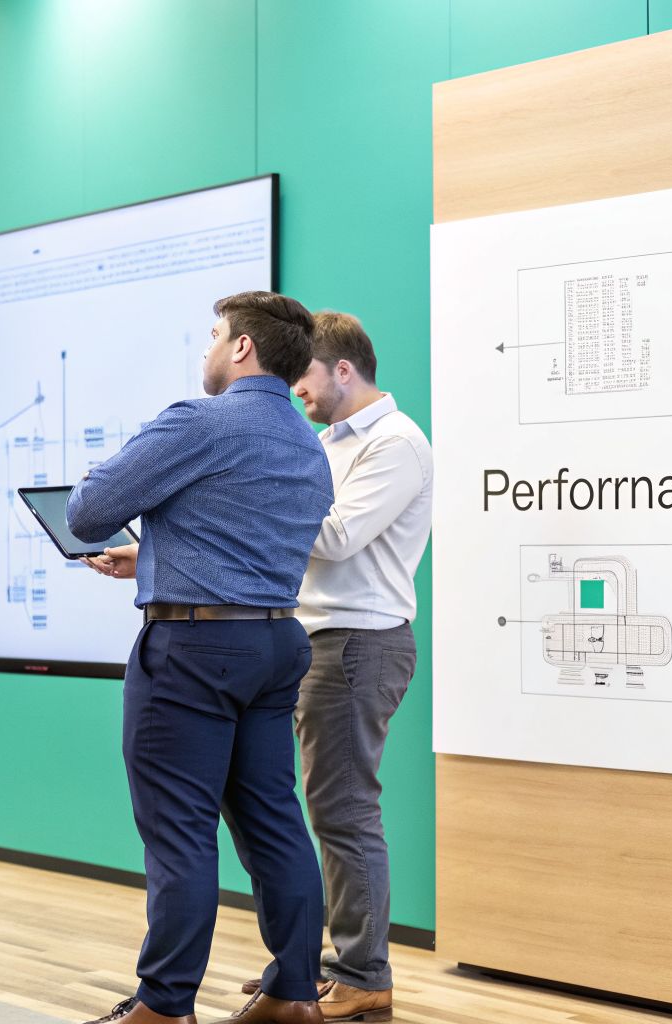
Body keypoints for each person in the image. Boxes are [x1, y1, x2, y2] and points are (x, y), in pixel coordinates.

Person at [68, 291, 335, 1024]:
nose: (208, 349)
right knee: (276, 822)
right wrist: (158, 550)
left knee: (179, 828)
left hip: (191, 649)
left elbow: (86, 510)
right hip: (274, 643)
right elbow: (240, 534)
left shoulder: (199, 419)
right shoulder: (307, 443)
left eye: (215, 335)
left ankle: (163, 1006)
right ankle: (293, 995)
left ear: (242, 348)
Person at [273, 310, 432, 1022]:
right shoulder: (330, 443)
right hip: (320, 642)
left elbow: (335, 537)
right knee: (327, 809)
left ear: (342, 369)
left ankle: (364, 973)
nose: (294, 390)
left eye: (302, 374)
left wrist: (264, 495)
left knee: (344, 812)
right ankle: (316, 969)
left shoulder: (396, 443)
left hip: (357, 644)